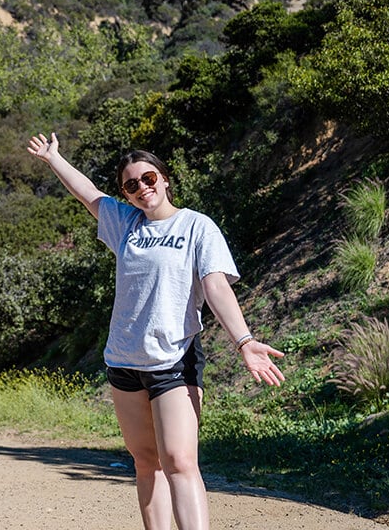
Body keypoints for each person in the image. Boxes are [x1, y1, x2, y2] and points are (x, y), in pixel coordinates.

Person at [27, 132, 284, 530]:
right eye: (131, 185)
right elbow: (89, 194)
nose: (142, 188)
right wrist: (53, 159)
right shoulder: (125, 224)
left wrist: (245, 342)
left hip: (173, 359)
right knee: (146, 463)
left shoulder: (198, 226)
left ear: (164, 178)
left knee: (179, 461)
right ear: (126, 195)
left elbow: (215, 285)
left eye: (148, 178)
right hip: (123, 360)